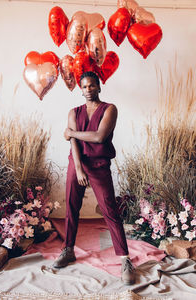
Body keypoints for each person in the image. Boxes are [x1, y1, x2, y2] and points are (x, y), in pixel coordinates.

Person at [53, 71, 136, 285]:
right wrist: (78, 169)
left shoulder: (110, 109)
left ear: (99, 86)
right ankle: (68, 249)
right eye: (84, 87)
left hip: (99, 165)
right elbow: (73, 145)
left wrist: (71, 133)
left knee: (110, 210)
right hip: (77, 163)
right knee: (71, 207)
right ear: (80, 90)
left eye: (92, 86)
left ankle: (125, 259)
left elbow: (99, 137)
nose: (88, 90)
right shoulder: (74, 112)